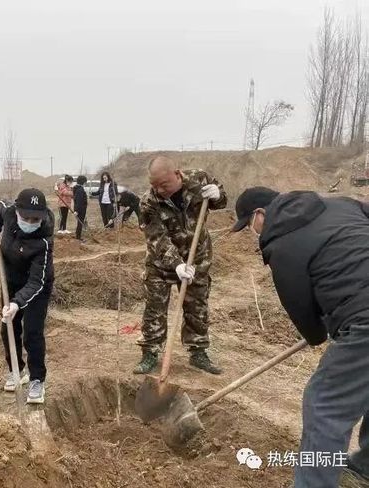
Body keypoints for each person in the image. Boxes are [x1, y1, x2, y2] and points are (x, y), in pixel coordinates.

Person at [232, 186, 369, 488]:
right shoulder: (340, 204)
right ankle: (365, 467)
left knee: (324, 405)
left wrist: (331, 322)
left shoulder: (282, 247)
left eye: (248, 226)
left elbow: (310, 327)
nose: (251, 233)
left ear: (260, 215)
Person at [134, 155, 227, 375]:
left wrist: (218, 195)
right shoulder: (149, 201)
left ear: (177, 174)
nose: (159, 190)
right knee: (154, 308)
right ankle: (150, 352)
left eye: (164, 185)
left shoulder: (199, 180)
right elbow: (156, 237)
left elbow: (221, 200)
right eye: (154, 185)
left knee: (197, 306)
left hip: (197, 257)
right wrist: (176, 264)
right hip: (161, 263)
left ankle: (198, 352)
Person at [0, 188, 54, 404]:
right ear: (17, 211)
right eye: (25, 217)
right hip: (10, 279)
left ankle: (37, 380)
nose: (29, 221)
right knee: (8, 327)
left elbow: (37, 281)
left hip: (37, 285)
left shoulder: (43, 242)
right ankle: (16, 371)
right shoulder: (8, 211)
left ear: (43, 216)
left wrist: (17, 303)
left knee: (32, 333)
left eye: (35, 218)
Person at [73, 175, 89, 241]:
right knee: (80, 223)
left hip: (79, 208)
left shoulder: (77, 188)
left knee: (80, 222)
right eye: (85, 182)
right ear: (83, 182)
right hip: (80, 209)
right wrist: (77, 211)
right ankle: (78, 237)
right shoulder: (80, 190)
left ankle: (78, 235)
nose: (85, 183)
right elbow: (79, 201)